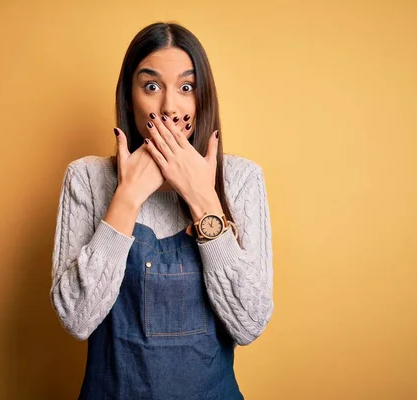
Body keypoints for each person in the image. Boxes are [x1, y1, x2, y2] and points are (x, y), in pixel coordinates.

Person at [50, 22, 274, 400]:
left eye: (186, 88)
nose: (170, 107)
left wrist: (204, 200)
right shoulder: (87, 178)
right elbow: (76, 319)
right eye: (152, 86)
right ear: (129, 96)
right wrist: (126, 197)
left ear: (203, 99)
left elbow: (248, 323)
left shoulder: (240, 179)